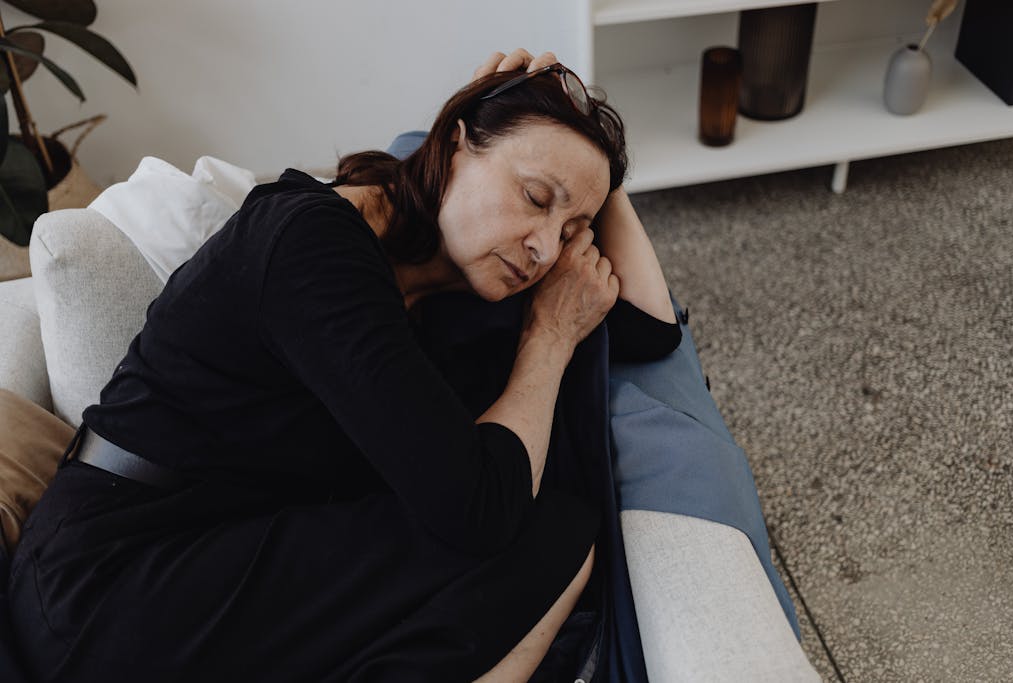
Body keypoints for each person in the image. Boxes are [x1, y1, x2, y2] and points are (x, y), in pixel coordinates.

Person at [7, 49, 680, 682]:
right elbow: (480, 510)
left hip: (218, 547)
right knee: (539, 537)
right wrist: (549, 336)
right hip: (107, 584)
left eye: (569, 232)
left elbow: (649, 331)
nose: (542, 248)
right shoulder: (315, 245)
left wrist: (592, 164)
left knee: (556, 531)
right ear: (452, 145)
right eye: (535, 197)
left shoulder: (443, 276)